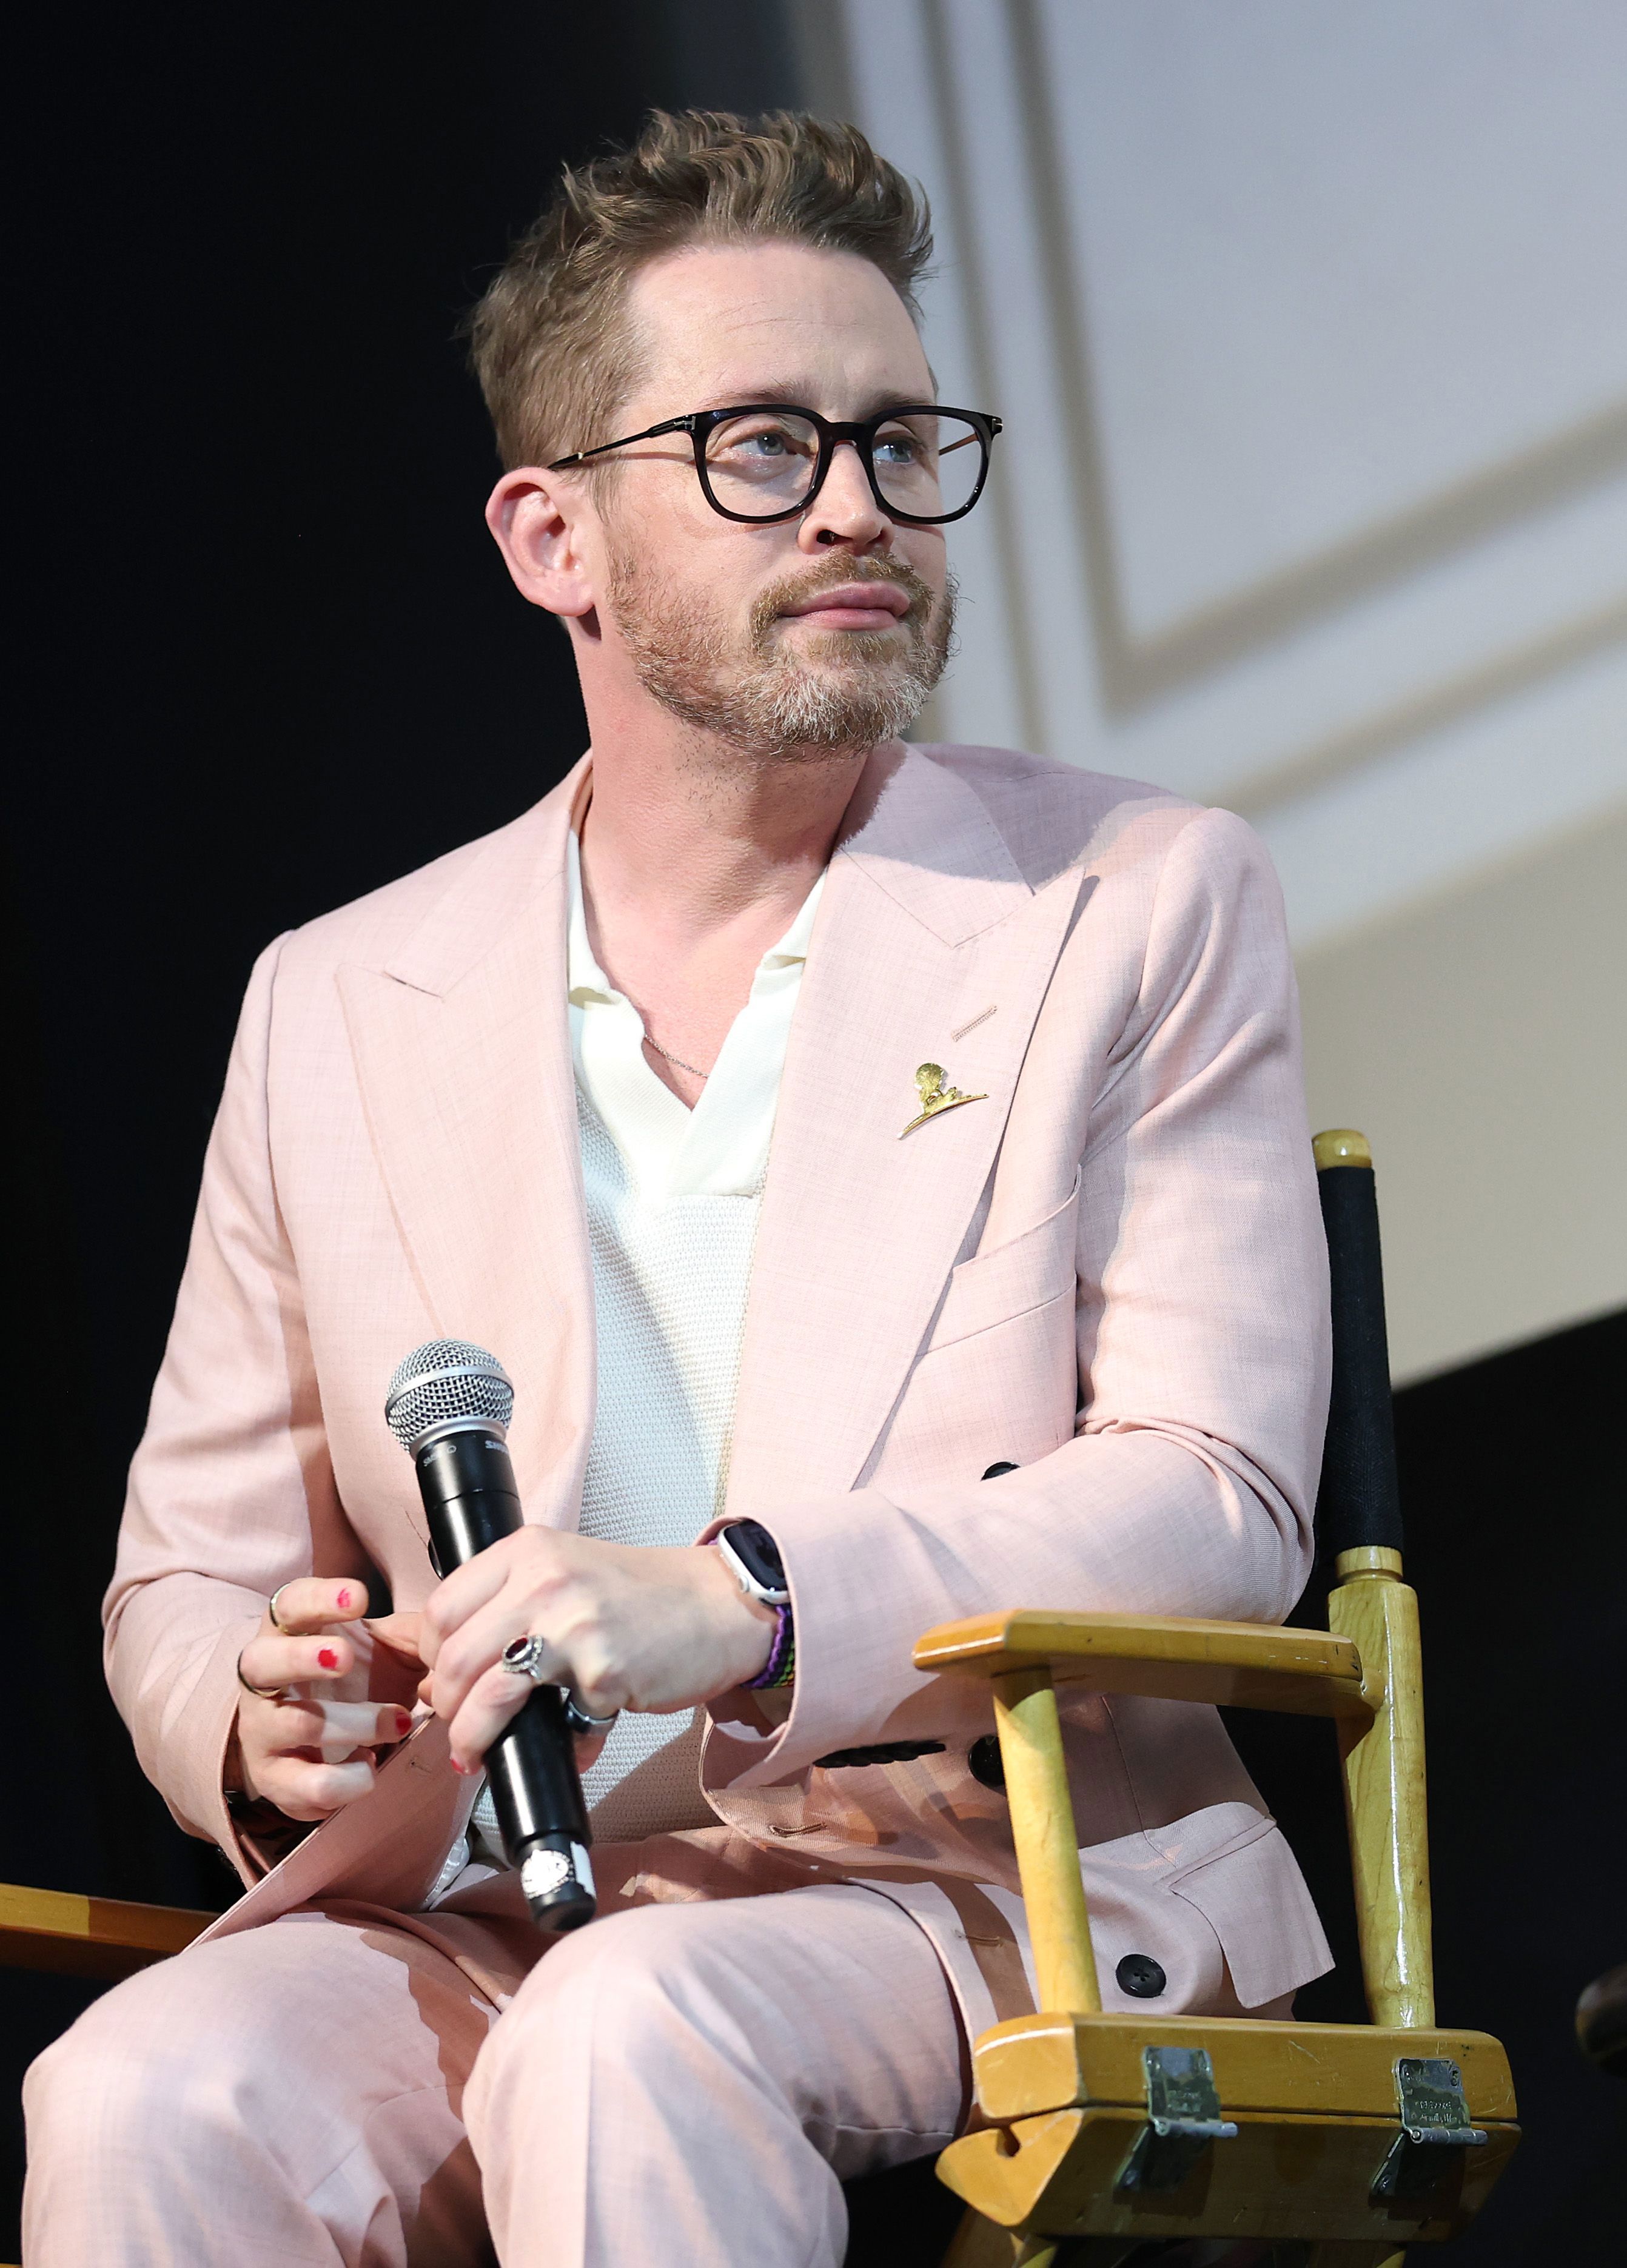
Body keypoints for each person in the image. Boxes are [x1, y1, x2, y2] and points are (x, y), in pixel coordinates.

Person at [24, 109, 1333, 2267]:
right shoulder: (337, 998)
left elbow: (1213, 1498)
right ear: (553, 539)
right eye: (759, 448)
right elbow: (184, 1583)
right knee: (138, 2084)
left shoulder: (1128, 896)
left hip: (971, 1874)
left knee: (630, 2028)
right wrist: (264, 1712)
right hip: (482, 1897)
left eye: (903, 443)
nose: (857, 506)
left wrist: (747, 1595)